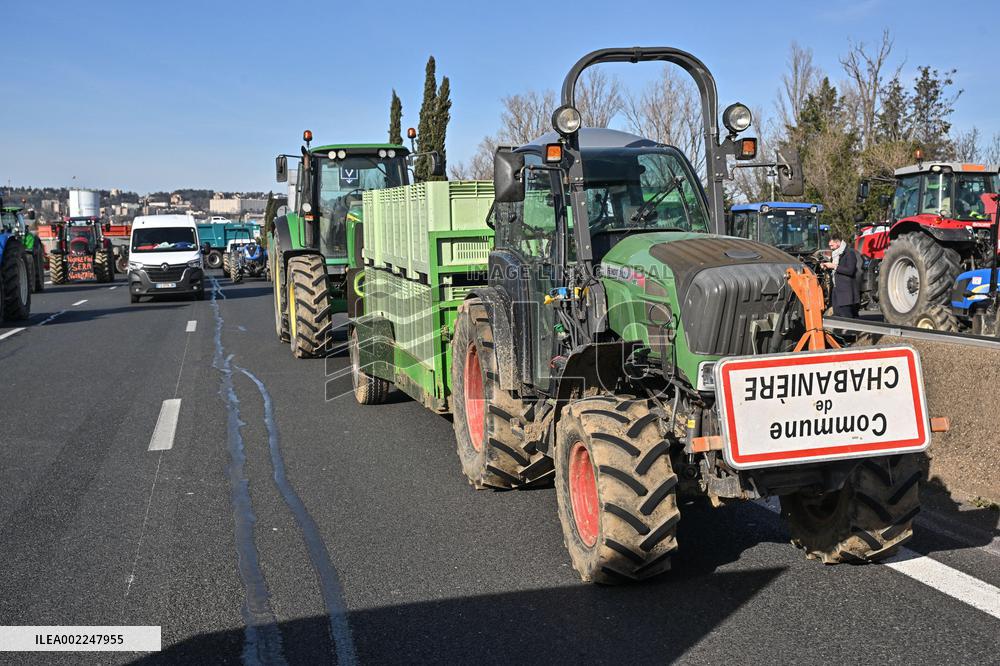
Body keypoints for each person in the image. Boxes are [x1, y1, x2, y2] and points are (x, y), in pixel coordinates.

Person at [821, 233, 860, 318]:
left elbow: (850, 271)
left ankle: (852, 331)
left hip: (846, 294)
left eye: (832, 245)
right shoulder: (835, 254)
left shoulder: (850, 253)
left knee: (847, 318)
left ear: (838, 243)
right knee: (838, 318)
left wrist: (834, 266)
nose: (830, 247)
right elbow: (835, 271)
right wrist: (827, 267)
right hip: (836, 291)